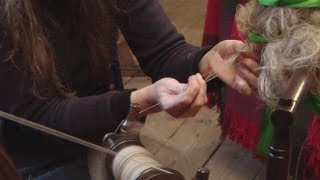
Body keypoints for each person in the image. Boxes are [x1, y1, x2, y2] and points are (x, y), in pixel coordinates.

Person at [0, 0, 258, 179]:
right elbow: (40, 115)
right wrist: (136, 102)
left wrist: (204, 61)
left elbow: (163, 51)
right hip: (36, 156)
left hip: (105, 137)